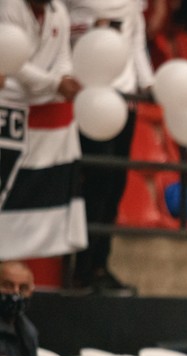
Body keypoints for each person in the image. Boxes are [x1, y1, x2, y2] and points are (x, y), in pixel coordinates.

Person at [67, 0, 155, 295]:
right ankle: (80, 270)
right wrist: (93, 28)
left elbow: (136, 41)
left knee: (116, 184)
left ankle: (100, 265)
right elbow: (61, 30)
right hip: (92, 98)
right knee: (95, 183)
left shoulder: (131, 5)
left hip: (126, 101)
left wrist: (149, 83)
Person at [0, 0, 86, 262]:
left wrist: (66, 77)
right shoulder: (7, 7)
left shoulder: (58, 11)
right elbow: (12, 63)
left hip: (35, 102)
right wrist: (55, 85)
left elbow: (62, 59)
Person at [0, 260, 39, 356]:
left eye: (23, 288)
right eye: (8, 285)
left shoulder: (28, 331)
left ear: (31, 291)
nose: (15, 292)